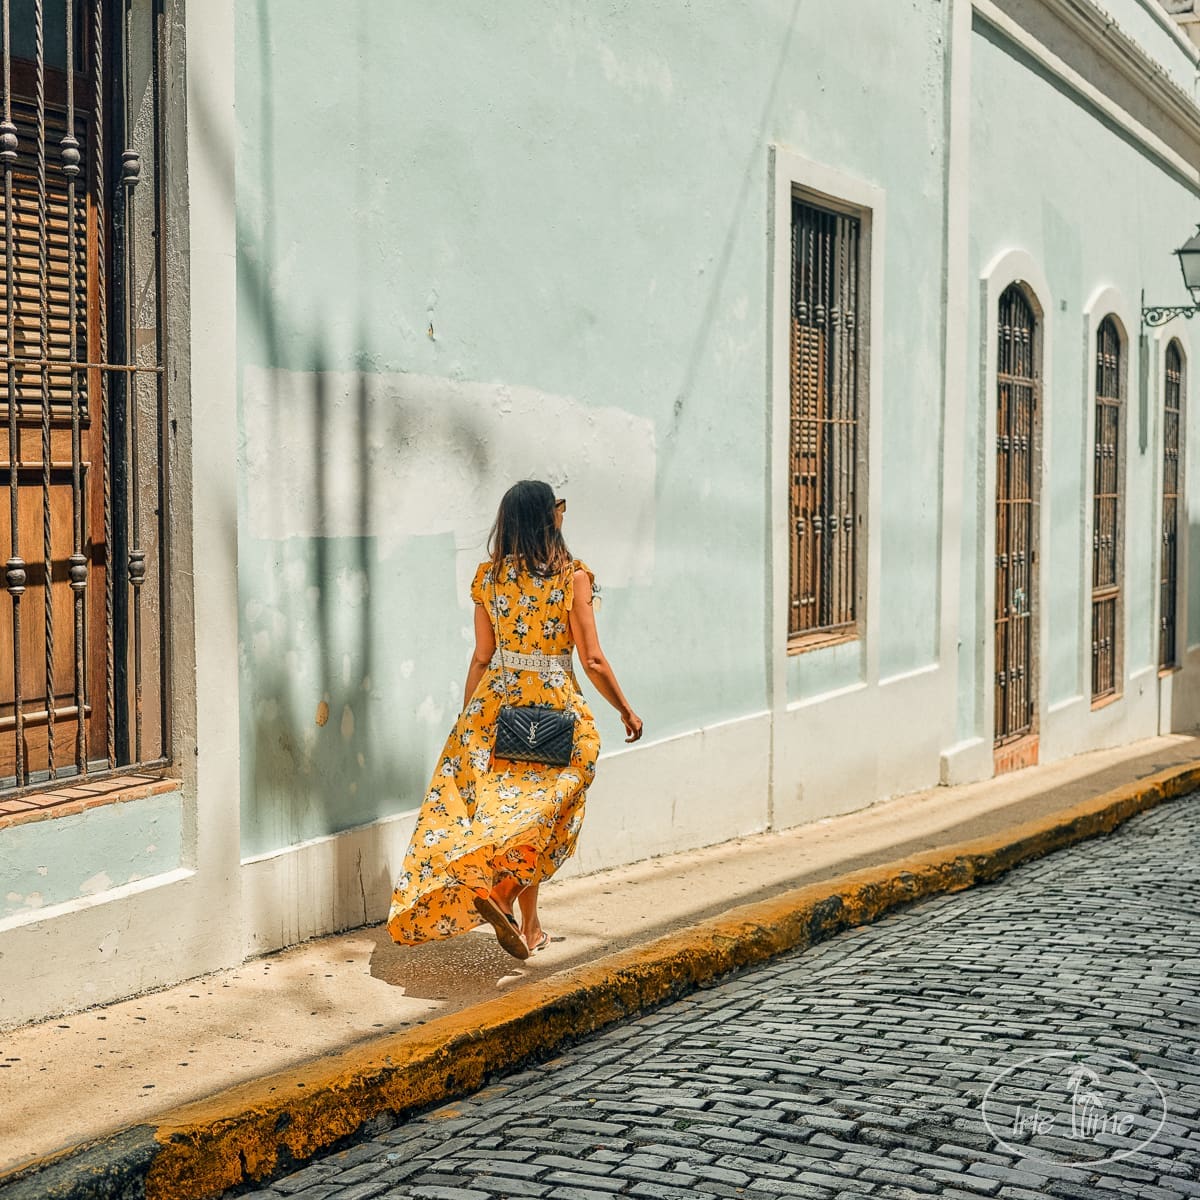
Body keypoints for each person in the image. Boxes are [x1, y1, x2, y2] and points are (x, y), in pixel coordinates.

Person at [386, 479, 643, 960]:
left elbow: (482, 656)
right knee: (549, 810)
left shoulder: (490, 578)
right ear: (549, 518)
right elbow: (592, 660)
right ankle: (503, 893)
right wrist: (625, 709)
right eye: (559, 507)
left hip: (496, 706)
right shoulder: (574, 577)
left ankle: (529, 927)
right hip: (553, 712)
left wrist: (468, 719)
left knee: (517, 815)